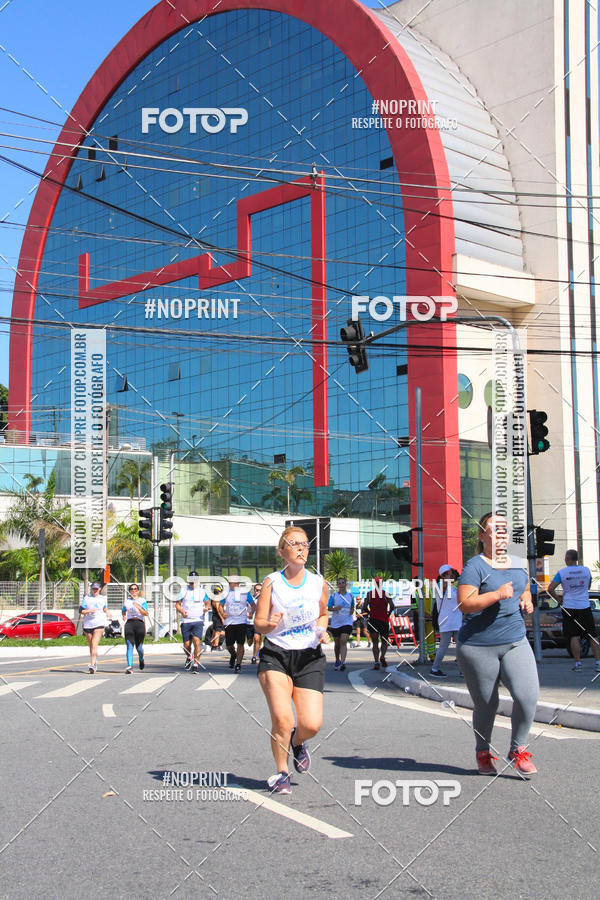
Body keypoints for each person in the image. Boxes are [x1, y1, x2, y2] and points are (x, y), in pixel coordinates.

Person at [457, 512, 539, 776]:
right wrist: (496, 594)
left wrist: (526, 599)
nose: (502, 533)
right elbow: (465, 604)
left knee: (527, 697)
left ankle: (518, 749)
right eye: (495, 529)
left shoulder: (517, 563)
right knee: (487, 704)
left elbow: (523, 587)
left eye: (505, 528)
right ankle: (483, 752)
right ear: (483, 536)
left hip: (515, 640)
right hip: (478, 646)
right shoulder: (475, 566)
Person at [254, 526, 330, 795]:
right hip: (276, 654)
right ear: (282, 551)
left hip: (309, 657)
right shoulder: (272, 582)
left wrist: (321, 630)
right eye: (294, 544)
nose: (301, 548)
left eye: (305, 544)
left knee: (311, 724)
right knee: (283, 719)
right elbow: (259, 623)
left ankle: (298, 742)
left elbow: (322, 614)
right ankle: (282, 772)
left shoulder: (318, 583)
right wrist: (268, 624)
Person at [548, 549, 600, 671]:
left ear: (566, 559)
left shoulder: (562, 572)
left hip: (569, 607)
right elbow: (588, 586)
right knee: (592, 635)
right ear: (577, 559)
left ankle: (578, 664)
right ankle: (598, 663)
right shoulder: (586, 570)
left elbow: (550, 589)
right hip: (584, 606)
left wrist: (558, 599)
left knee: (574, 636)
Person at [430, 564, 462, 677]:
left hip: (457, 622)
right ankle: (434, 669)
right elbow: (443, 585)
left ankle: (463, 671)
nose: (453, 574)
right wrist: (446, 577)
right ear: (445, 574)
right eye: (450, 572)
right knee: (444, 646)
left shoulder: (453, 588)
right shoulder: (440, 586)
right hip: (446, 621)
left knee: (461, 647)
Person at [176, 572, 209, 674]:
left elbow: (208, 604)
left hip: (197, 620)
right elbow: (177, 605)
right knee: (186, 645)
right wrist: (182, 611)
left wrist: (206, 609)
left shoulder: (202, 591)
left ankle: (195, 664)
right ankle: (189, 656)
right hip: (186, 621)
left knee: (197, 641)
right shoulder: (183, 591)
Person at [221, 575, 255, 672]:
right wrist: (222, 612)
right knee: (229, 645)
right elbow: (220, 605)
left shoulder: (245, 593)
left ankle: (238, 664)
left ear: (236, 583)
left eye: (230, 582)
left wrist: (251, 613)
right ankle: (233, 654)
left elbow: (253, 605)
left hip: (241, 621)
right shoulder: (226, 593)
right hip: (229, 622)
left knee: (240, 643)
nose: (229, 583)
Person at [362, 577, 394, 669]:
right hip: (383, 620)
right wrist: (387, 614)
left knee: (375, 642)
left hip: (373, 620)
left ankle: (376, 662)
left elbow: (364, 607)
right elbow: (392, 606)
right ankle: (382, 656)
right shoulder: (386, 594)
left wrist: (369, 613)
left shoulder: (369, 594)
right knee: (384, 641)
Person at [81, 581, 108, 674]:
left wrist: (107, 612)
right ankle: (94, 661)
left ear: (100, 589)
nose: (95, 590)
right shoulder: (87, 598)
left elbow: (105, 608)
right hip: (88, 624)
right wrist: (89, 611)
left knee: (94, 643)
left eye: (96, 589)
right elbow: (81, 610)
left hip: (99, 623)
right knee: (91, 645)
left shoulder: (103, 598)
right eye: (93, 589)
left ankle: (92, 665)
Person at [328, 577, 354, 670]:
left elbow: (352, 607)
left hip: (347, 622)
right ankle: (337, 659)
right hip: (336, 622)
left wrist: (351, 611)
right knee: (337, 643)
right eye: (339, 583)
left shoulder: (350, 596)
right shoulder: (334, 596)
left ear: (345, 584)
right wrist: (335, 608)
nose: (341, 585)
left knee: (343, 641)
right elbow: (329, 607)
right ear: (338, 585)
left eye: (343, 583)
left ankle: (343, 662)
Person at [122, 583, 149, 674]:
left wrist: (138, 607)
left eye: (135, 589)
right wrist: (124, 616)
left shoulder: (142, 600)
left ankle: (141, 658)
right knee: (129, 645)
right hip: (129, 624)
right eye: (131, 589)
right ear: (129, 591)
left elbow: (146, 613)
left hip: (139, 623)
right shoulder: (127, 601)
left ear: (138, 591)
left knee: (139, 647)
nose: (133, 591)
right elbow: (123, 610)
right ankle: (130, 666)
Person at [209, 584, 225, 652]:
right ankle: (216, 646)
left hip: (214, 616)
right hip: (218, 617)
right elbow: (218, 610)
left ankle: (213, 646)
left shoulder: (213, 598)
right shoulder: (217, 598)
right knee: (218, 632)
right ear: (219, 592)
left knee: (215, 631)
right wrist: (222, 618)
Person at [250, 583, 263, 663]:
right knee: (249, 642)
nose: (258, 592)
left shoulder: (264, 600)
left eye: (260, 590)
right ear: (254, 590)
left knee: (256, 638)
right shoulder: (250, 598)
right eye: (257, 590)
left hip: (257, 622)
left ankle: (254, 656)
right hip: (248, 623)